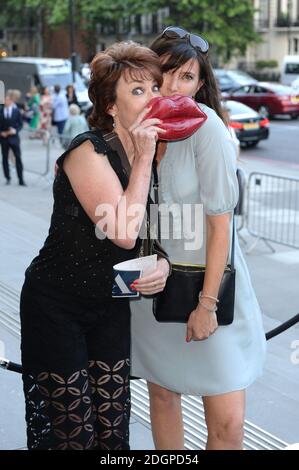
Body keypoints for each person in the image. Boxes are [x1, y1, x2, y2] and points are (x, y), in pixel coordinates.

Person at [20, 41, 169, 450]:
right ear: (109, 106)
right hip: (56, 307)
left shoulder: (152, 154)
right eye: (138, 91)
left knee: (113, 431)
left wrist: (164, 266)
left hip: (110, 307)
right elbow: (122, 231)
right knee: (73, 435)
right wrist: (142, 160)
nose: (153, 98)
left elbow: (151, 233)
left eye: (155, 88)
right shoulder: (88, 150)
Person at [130, 27, 267, 450]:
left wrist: (206, 305)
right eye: (166, 73)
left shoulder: (206, 128)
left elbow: (219, 224)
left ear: (200, 84)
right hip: (153, 286)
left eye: (186, 77)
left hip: (210, 285)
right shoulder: (134, 124)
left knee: (228, 424)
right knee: (163, 396)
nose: (173, 86)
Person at [0, 90, 25, 185]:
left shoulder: (16, 111)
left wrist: (15, 130)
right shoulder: (1, 111)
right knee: (4, 158)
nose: (5, 102)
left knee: (18, 158)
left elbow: (20, 124)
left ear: (11, 101)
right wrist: (1, 133)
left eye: (7, 100)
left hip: (14, 139)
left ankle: (21, 179)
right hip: (4, 139)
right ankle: (7, 177)